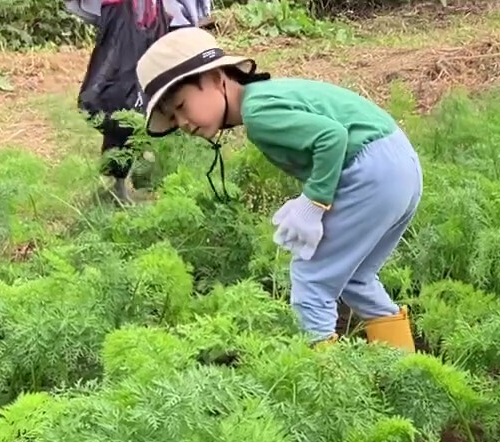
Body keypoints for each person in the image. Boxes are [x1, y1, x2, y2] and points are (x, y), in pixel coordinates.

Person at [134, 26, 422, 350]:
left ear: (216, 78)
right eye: (172, 119)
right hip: (400, 166)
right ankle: (406, 372)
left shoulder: (258, 112)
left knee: (311, 281)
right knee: (354, 277)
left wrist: (314, 202)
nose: (182, 123)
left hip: (372, 171)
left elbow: (332, 138)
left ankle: (332, 393)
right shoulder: (267, 96)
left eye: (182, 106)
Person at [68, 0, 209, 206]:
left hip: (161, 17)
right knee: (122, 99)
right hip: (133, 16)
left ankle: (147, 172)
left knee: (161, 93)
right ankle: (119, 180)